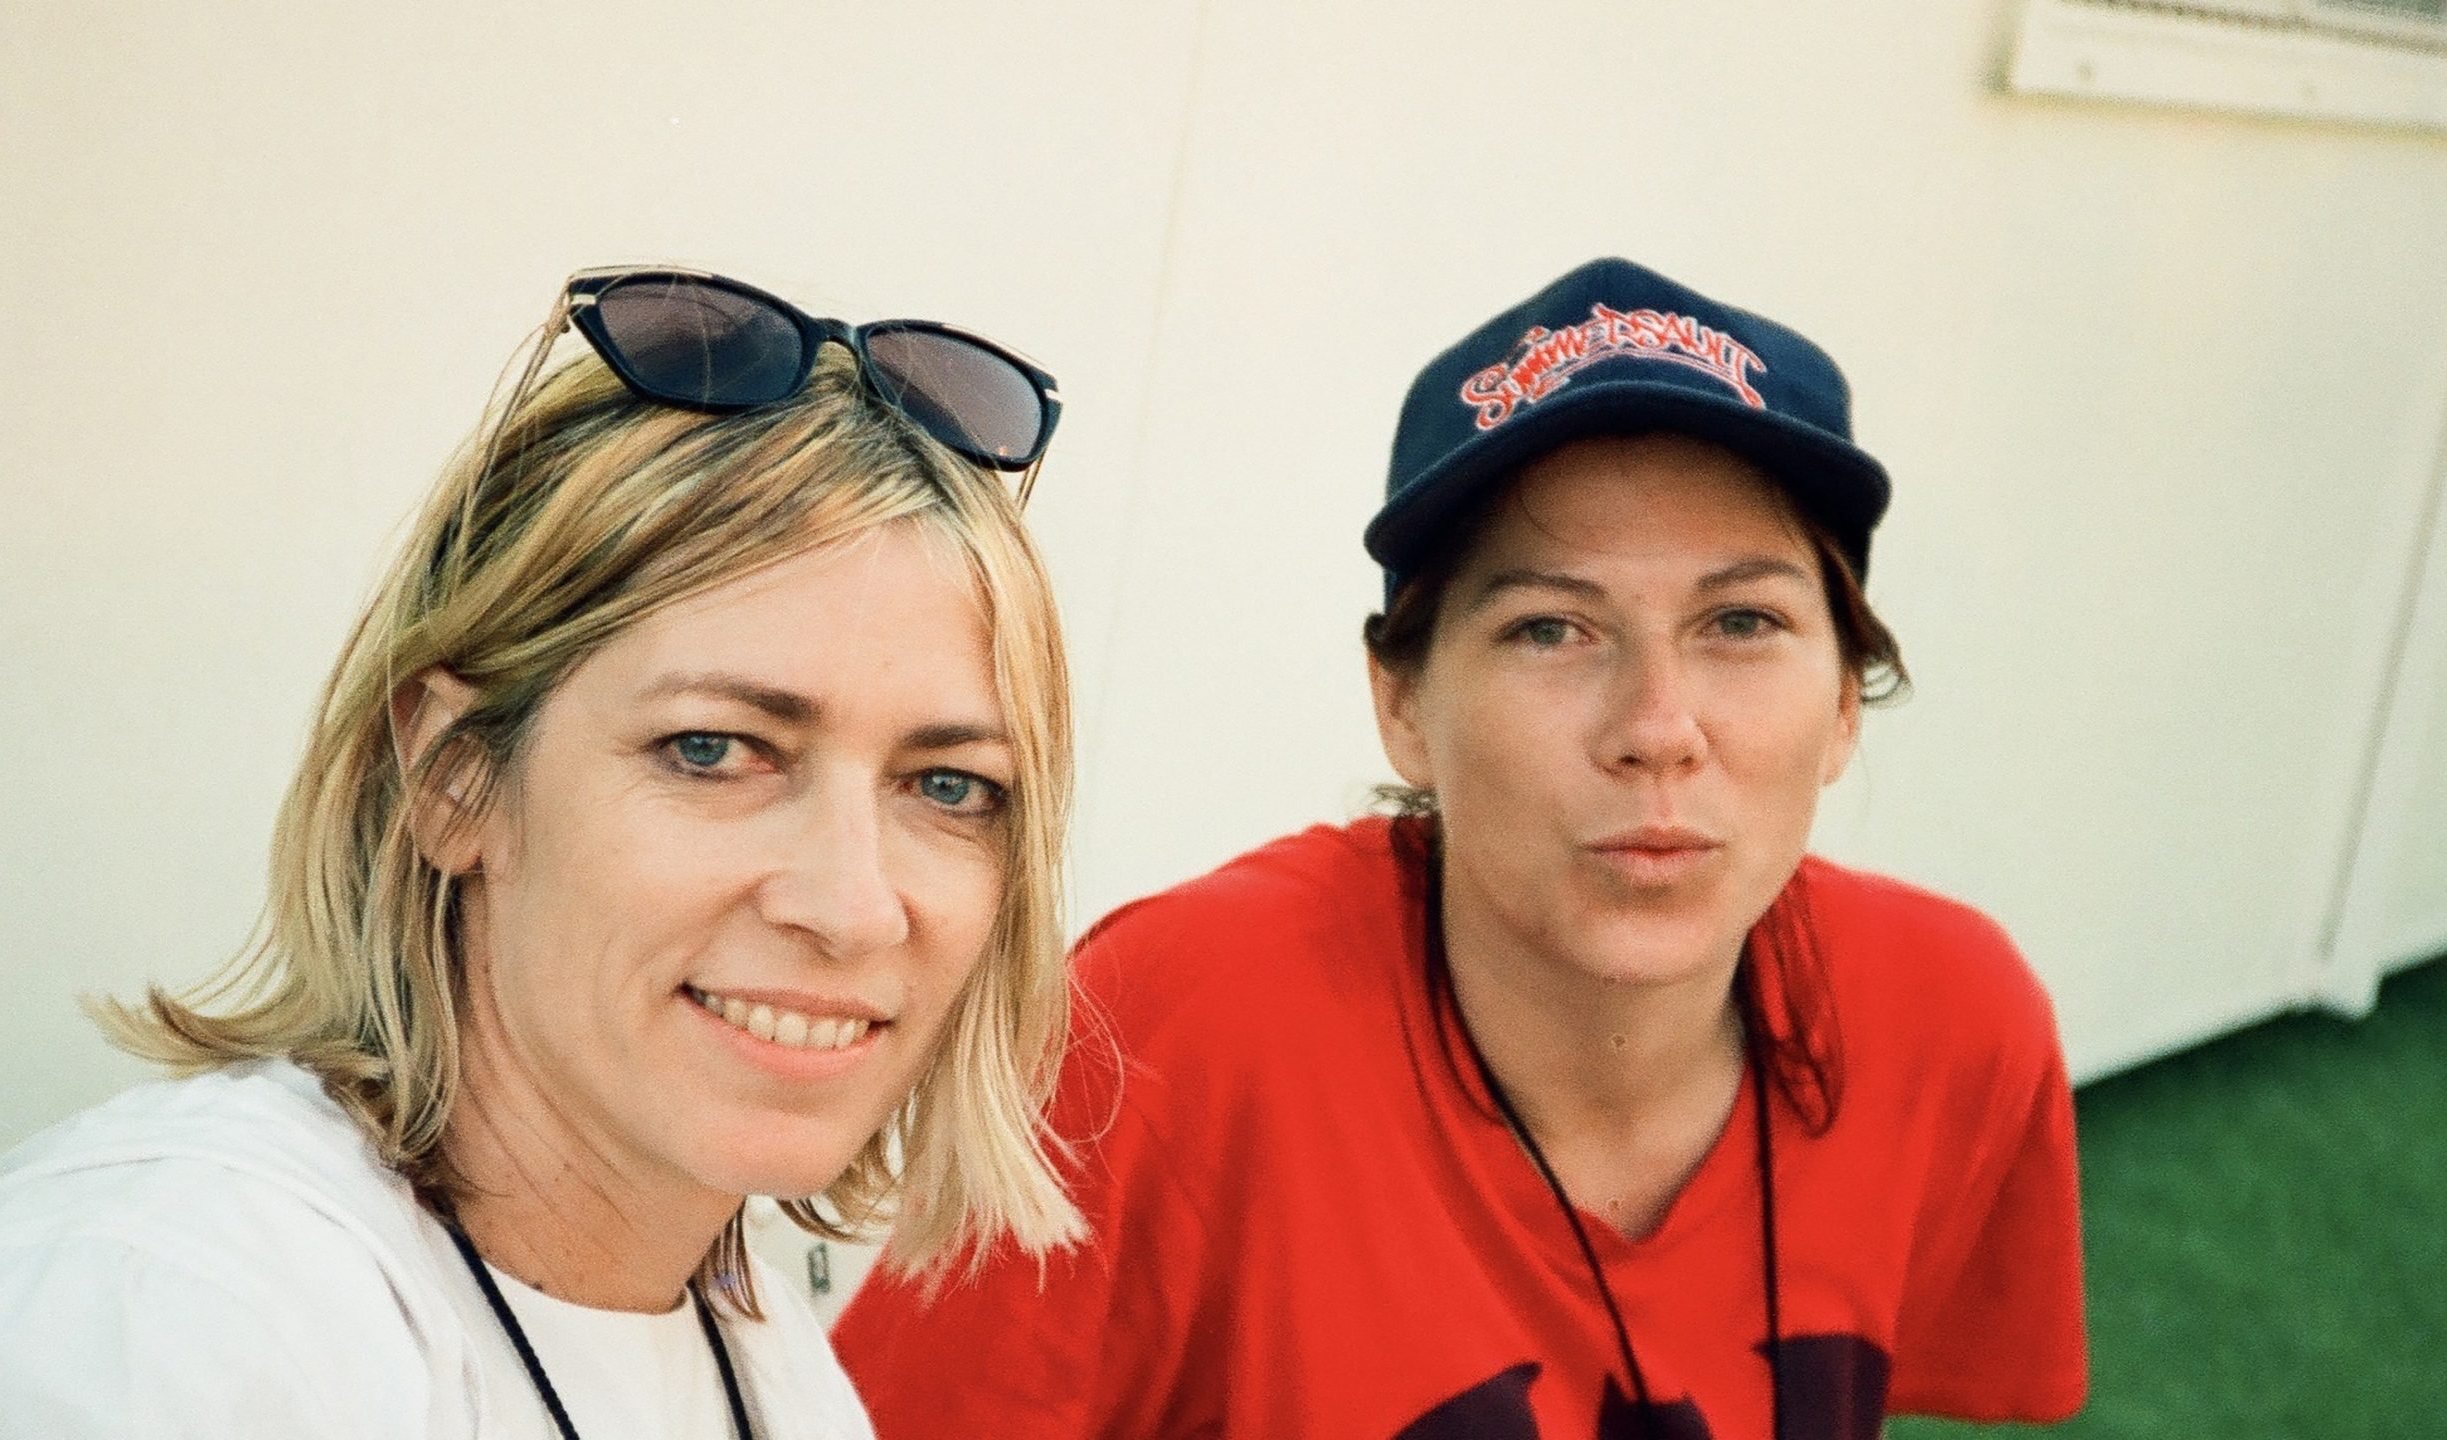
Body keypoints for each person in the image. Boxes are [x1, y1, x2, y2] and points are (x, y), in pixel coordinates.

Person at [833, 257, 2089, 1438]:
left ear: (1842, 706)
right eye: (1551, 629)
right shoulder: (1169, 1030)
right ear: (1403, 707)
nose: (1657, 729)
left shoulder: (1952, 1019)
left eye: (1742, 621)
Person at [0, 265, 1084, 1439]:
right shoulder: (167, 1324)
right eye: (715, 751)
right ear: (454, 778)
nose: (851, 904)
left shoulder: (758, 1352)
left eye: (947, 786)